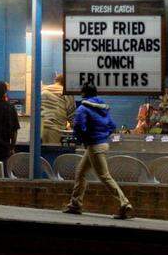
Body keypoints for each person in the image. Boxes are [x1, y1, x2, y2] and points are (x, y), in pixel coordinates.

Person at [63, 84, 134, 219]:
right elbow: (112, 125)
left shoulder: (83, 109)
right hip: (101, 143)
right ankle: (75, 204)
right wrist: (102, 135)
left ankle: (124, 203)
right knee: (81, 172)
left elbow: (78, 127)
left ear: (83, 93)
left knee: (104, 176)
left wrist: (84, 138)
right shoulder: (103, 108)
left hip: (94, 145)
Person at [40, 73, 75, 146]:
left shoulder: (42, 90)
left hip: (39, 127)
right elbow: (72, 115)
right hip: (55, 129)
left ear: (55, 80)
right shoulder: (66, 92)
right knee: (52, 153)